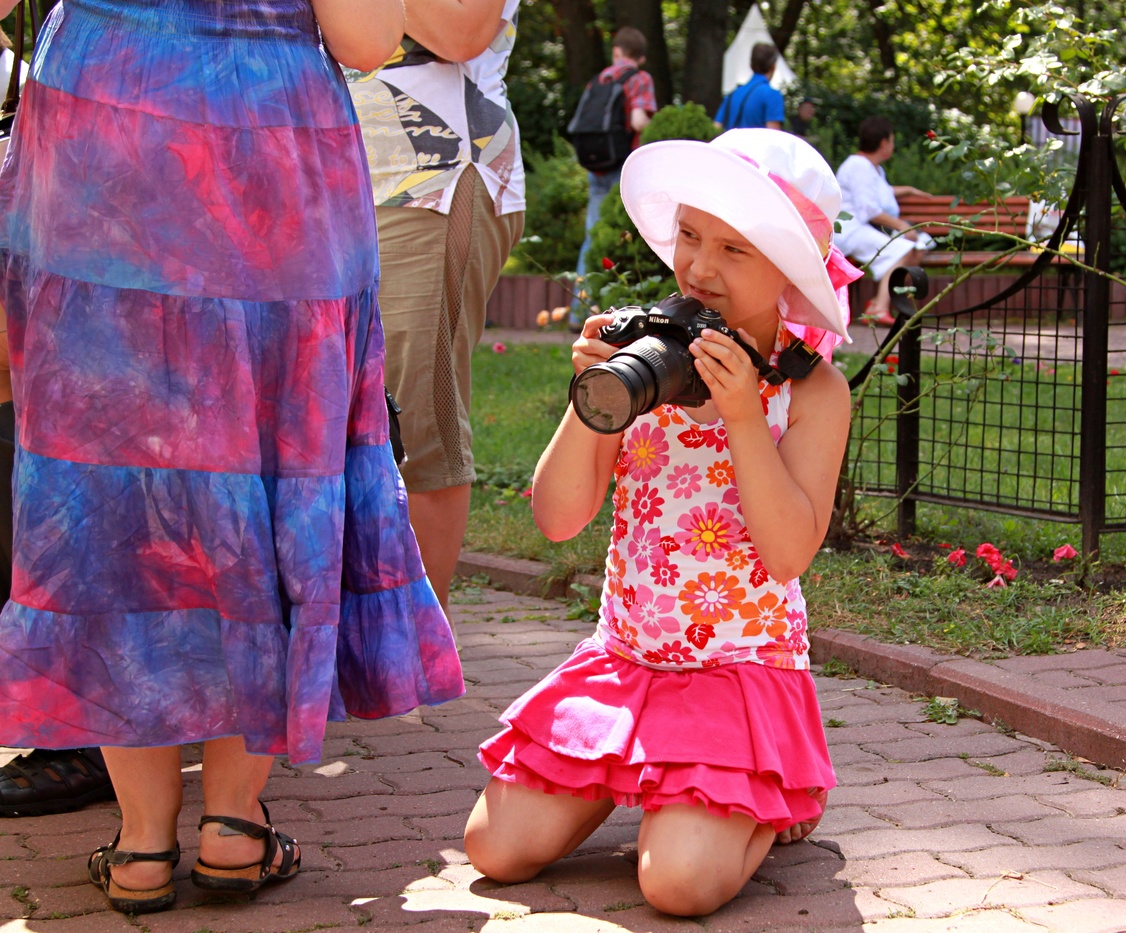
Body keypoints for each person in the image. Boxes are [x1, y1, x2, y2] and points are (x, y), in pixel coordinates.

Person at [0, 0, 466, 915]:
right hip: (269, 145)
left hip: (101, 128)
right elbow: (368, 41)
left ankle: (139, 844)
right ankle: (234, 826)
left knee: (111, 482)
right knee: (273, 456)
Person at [463, 129, 860, 917]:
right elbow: (558, 517)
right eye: (688, 236)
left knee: (674, 885)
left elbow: (785, 553)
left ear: (789, 267)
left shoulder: (811, 394)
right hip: (625, 660)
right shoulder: (643, 354)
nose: (701, 268)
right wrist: (593, 397)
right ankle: (655, 778)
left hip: (737, 673)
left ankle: (773, 793)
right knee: (494, 851)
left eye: (735, 250)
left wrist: (745, 416)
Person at [346, 0, 528, 609]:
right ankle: (351, 621)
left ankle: (417, 646)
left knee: (418, 410)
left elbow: (461, 30)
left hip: (432, 175)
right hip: (326, 172)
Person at [572, 27, 658, 319]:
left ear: (617, 51)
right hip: (623, 164)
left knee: (592, 235)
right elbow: (637, 121)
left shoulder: (599, 78)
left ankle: (579, 311)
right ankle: (621, 309)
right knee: (626, 236)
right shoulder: (640, 78)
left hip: (595, 164)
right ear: (641, 57)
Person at [832, 116, 935, 325]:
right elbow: (869, 209)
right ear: (883, 143)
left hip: (864, 228)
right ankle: (879, 307)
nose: (892, 145)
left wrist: (907, 190)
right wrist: (903, 226)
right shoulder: (859, 166)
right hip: (850, 230)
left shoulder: (872, 167)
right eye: (892, 140)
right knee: (904, 249)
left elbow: (878, 192)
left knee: (917, 247)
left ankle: (877, 304)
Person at [714, 43, 784, 131]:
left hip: (730, 144)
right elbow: (774, 134)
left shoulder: (732, 95)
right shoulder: (772, 95)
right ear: (773, 66)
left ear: (751, 65)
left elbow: (716, 127)